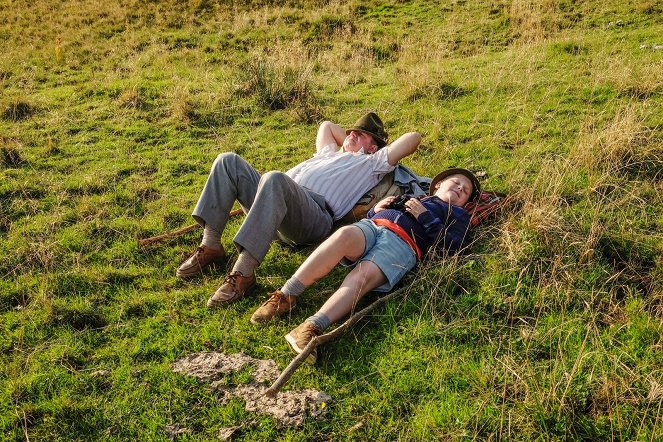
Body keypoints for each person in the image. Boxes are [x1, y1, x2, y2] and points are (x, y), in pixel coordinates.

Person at [176, 112, 421, 309]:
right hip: (271, 204)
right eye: (352, 131)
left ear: (373, 147)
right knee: (227, 160)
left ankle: (243, 274)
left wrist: (377, 151)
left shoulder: (371, 164)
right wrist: (351, 139)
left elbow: (413, 138)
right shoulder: (327, 153)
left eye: (363, 135)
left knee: (275, 179)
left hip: (312, 216)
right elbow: (326, 126)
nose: (353, 134)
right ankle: (211, 246)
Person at [249, 168, 481, 364]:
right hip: (373, 225)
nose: (461, 188)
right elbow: (372, 215)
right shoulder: (414, 195)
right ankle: (285, 295)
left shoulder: (458, 214)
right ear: (438, 184)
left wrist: (425, 218)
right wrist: (377, 209)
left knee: (363, 277)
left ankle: (311, 327)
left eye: (466, 191)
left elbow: (453, 247)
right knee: (344, 235)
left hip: (404, 244)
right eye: (457, 182)